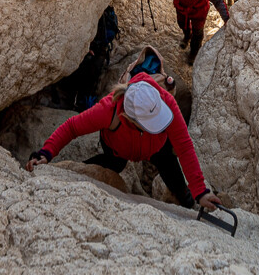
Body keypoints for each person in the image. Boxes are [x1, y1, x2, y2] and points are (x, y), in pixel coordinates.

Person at [25, 73, 222, 212]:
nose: (159, 123)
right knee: (113, 164)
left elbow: (184, 145)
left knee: (172, 171)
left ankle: (188, 202)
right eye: (150, 124)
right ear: (128, 118)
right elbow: (72, 127)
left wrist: (200, 192)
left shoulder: (165, 103)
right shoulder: (108, 110)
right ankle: (76, 173)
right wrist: (45, 153)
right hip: (117, 149)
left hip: (156, 148)